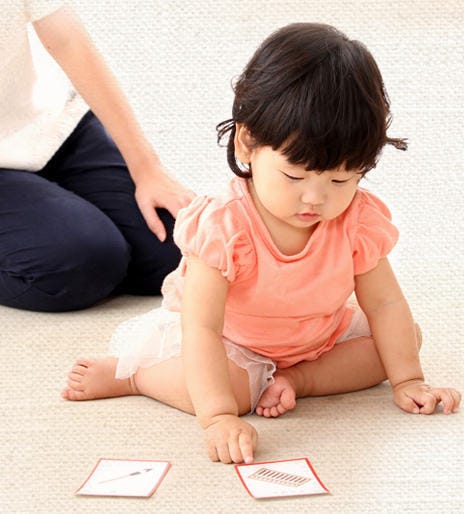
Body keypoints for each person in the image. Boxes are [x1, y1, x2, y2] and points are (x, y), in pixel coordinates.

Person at [62, 23, 461, 464]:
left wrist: (408, 380)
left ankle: (299, 380)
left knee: (402, 341)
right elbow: (202, 327)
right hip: (232, 342)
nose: (315, 198)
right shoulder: (224, 225)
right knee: (234, 391)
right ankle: (136, 377)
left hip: (316, 336)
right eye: (294, 176)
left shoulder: (356, 220)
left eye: (340, 180)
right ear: (247, 143)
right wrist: (218, 417)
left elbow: (384, 304)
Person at [0, 1, 194, 312]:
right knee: (79, 265)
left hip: (51, 123)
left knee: (182, 248)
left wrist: (147, 168)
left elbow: (68, 40)